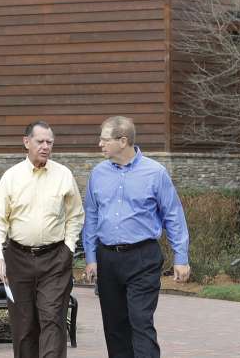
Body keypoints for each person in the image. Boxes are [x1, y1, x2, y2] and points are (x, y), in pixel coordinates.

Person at [82, 116, 190, 358]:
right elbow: (91, 217)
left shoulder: (155, 173)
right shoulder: (98, 174)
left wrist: (181, 258)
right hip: (107, 258)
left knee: (141, 321)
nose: (100, 144)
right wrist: (91, 257)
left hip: (143, 257)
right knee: (114, 326)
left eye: (104, 139)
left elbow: (173, 215)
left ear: (123, 141)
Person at [0, 120, 85, 358]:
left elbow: (76, 215)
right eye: (40, 141)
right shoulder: (11, 177)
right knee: (24, 325)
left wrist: (69, 247)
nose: (45, 146)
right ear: (26, 142)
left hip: (55, 259)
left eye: (49, 142)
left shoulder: (63, 175)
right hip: (18, 259)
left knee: (53, 319)